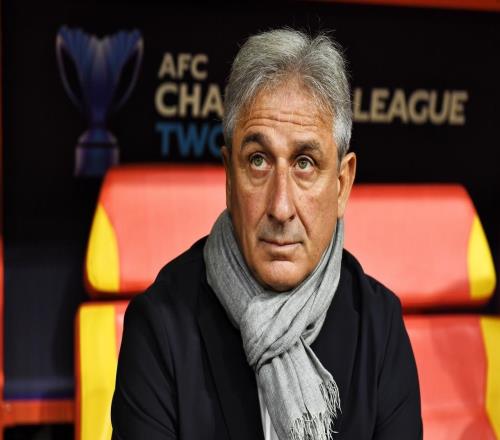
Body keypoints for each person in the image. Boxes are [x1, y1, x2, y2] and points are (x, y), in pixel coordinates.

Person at [111, 28, 423, 440]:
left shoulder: (379, 327)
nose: (280, 207)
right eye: (258, 161)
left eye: (305, 163)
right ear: (229, 176)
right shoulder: (160, 326)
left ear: (342, 184)